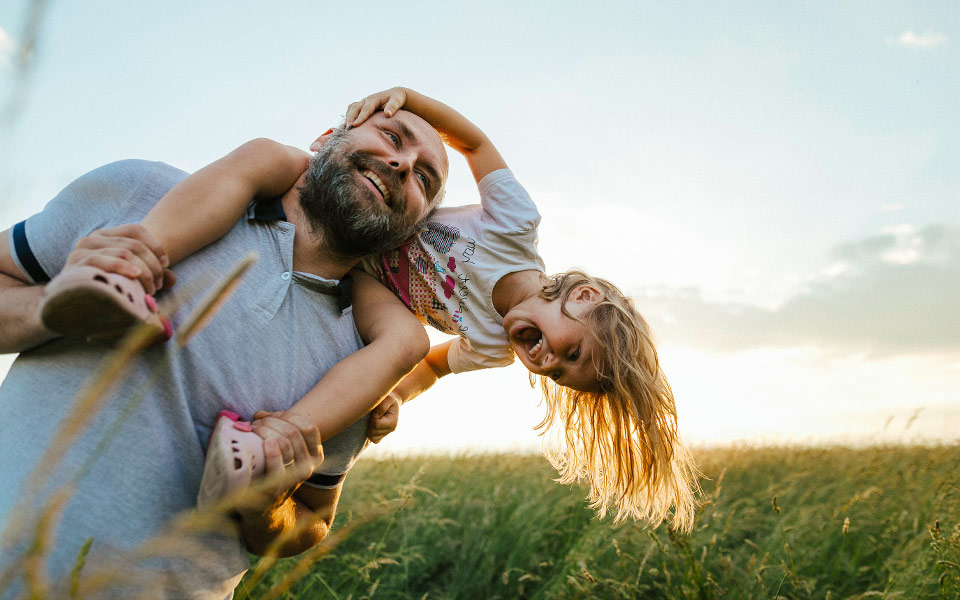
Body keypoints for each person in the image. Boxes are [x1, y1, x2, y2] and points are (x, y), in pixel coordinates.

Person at [40, 88, 701, 534]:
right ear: (581, 298)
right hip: (361, 230)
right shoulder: (514, 226)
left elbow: (434, 366)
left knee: (406, 342)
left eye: (556, 374)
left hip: (367, 272)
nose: (544, 360)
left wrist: (392, 399)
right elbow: (471, 139)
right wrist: (406, 99)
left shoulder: (496, 346)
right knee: (269, 154)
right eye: (570, 352)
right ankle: (128, 266)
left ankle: (268, 450)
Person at [0, 105, 449, 598]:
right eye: (391, 136)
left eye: (424, 180)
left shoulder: (366, 362)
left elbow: (311, 521)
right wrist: (51, 307)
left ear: (410, 229)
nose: (403, 165)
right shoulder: (143, 193)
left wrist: (267, 506)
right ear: (324, 139)